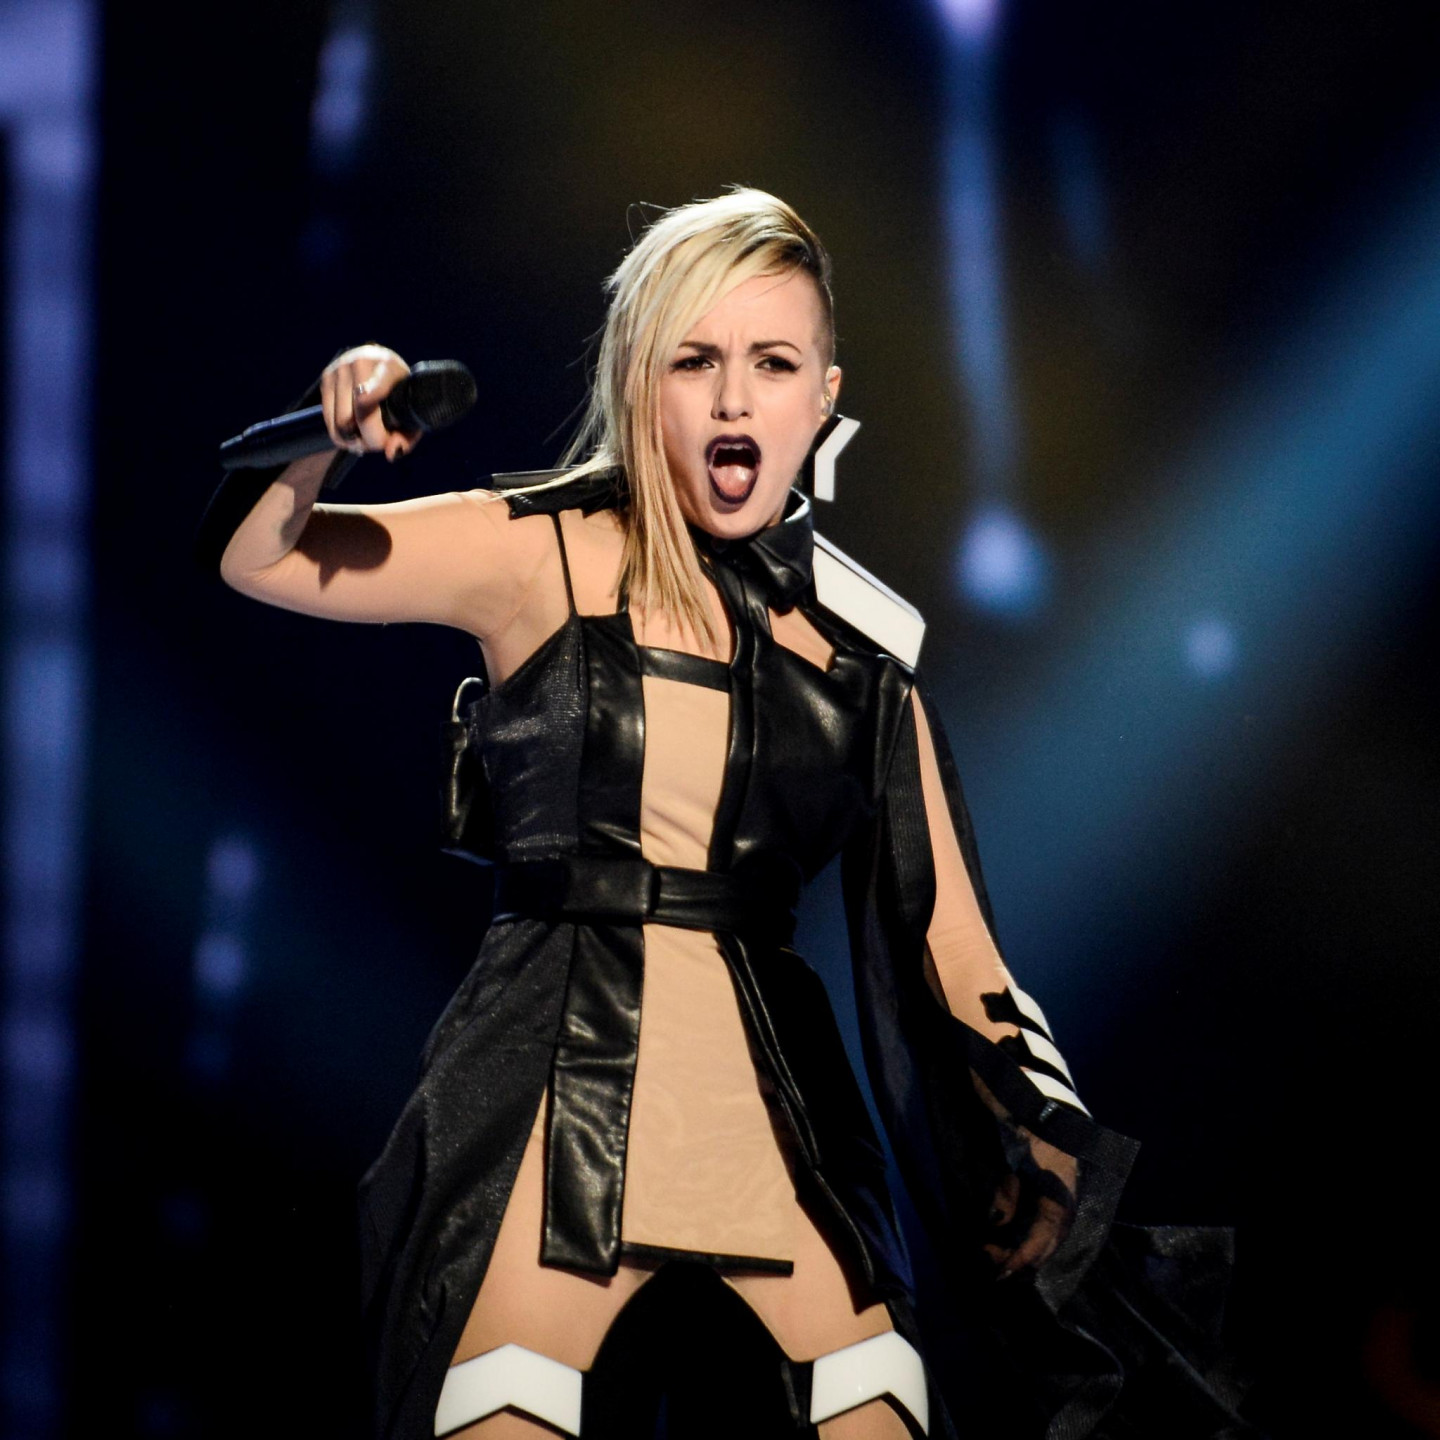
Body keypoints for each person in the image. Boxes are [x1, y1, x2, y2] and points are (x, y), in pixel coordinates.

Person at [202, 190, 1249, 1440]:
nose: (736, 399)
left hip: (781, 1123)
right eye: (695, 361)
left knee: (881, 1404)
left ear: (825, 397)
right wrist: (325, 428)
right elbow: (259, 555)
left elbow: (957, 952)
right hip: (550, 1103)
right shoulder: (537, 552)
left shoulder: (861, 651)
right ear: (639, 384)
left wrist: (1049, 1142)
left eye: (774, 364)